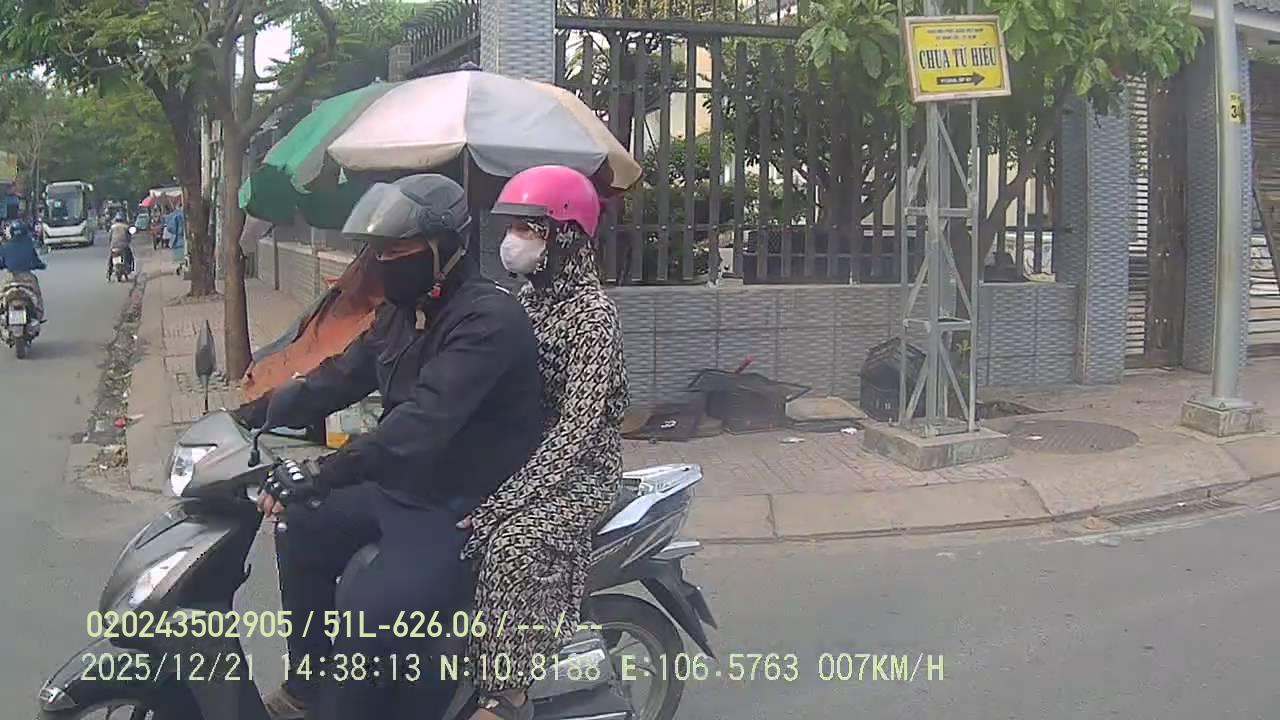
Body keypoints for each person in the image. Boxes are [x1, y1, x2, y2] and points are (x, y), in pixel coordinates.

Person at [245, 174, 545, 720]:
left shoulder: (488, 320)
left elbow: (418, 426)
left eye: (397, 251)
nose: (383, 263)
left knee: (369, 609)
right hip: (403, 484)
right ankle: (308, 685)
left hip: (456, 503)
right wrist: (256, 412)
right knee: (300, 524)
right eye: (377, 251)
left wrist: (321, 471)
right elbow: (341, 375)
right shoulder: (401, 312)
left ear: (446, 249)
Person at [458, 165, 629, 720]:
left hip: (581, 471)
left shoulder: (593, 318)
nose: (514, 241)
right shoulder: (529, 301)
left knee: (510, 543)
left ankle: (509, 694)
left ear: (566, 237)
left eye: (529, 229)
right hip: (525, 458)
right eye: (512, 228)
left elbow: (577, 429)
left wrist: (505, 502)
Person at [0, 220, 48, 320]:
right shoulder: (29, 244)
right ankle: (38, 313)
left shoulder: (5, 246)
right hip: (27, 277)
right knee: (36, 293)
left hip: (10, 278)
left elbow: (2, 263)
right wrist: (41, 266)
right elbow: (35, 261)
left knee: (1, 293)